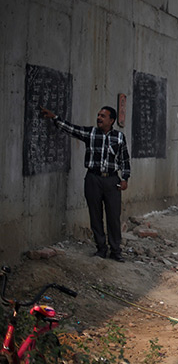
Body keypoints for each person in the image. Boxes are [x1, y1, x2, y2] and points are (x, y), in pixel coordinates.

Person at [41, 106, 130, 262]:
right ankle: (101, 249)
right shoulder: (91, 133)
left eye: (103, 116)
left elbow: (124, 160)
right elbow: (71, 129)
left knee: (113, 217)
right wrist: (55, 118)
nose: (99, 118)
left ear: (112, 120)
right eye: (98, 115)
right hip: (93, 179)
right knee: (95, 216)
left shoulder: (120, 138)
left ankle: (116, 251)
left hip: (111, 180)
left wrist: (125, 179)